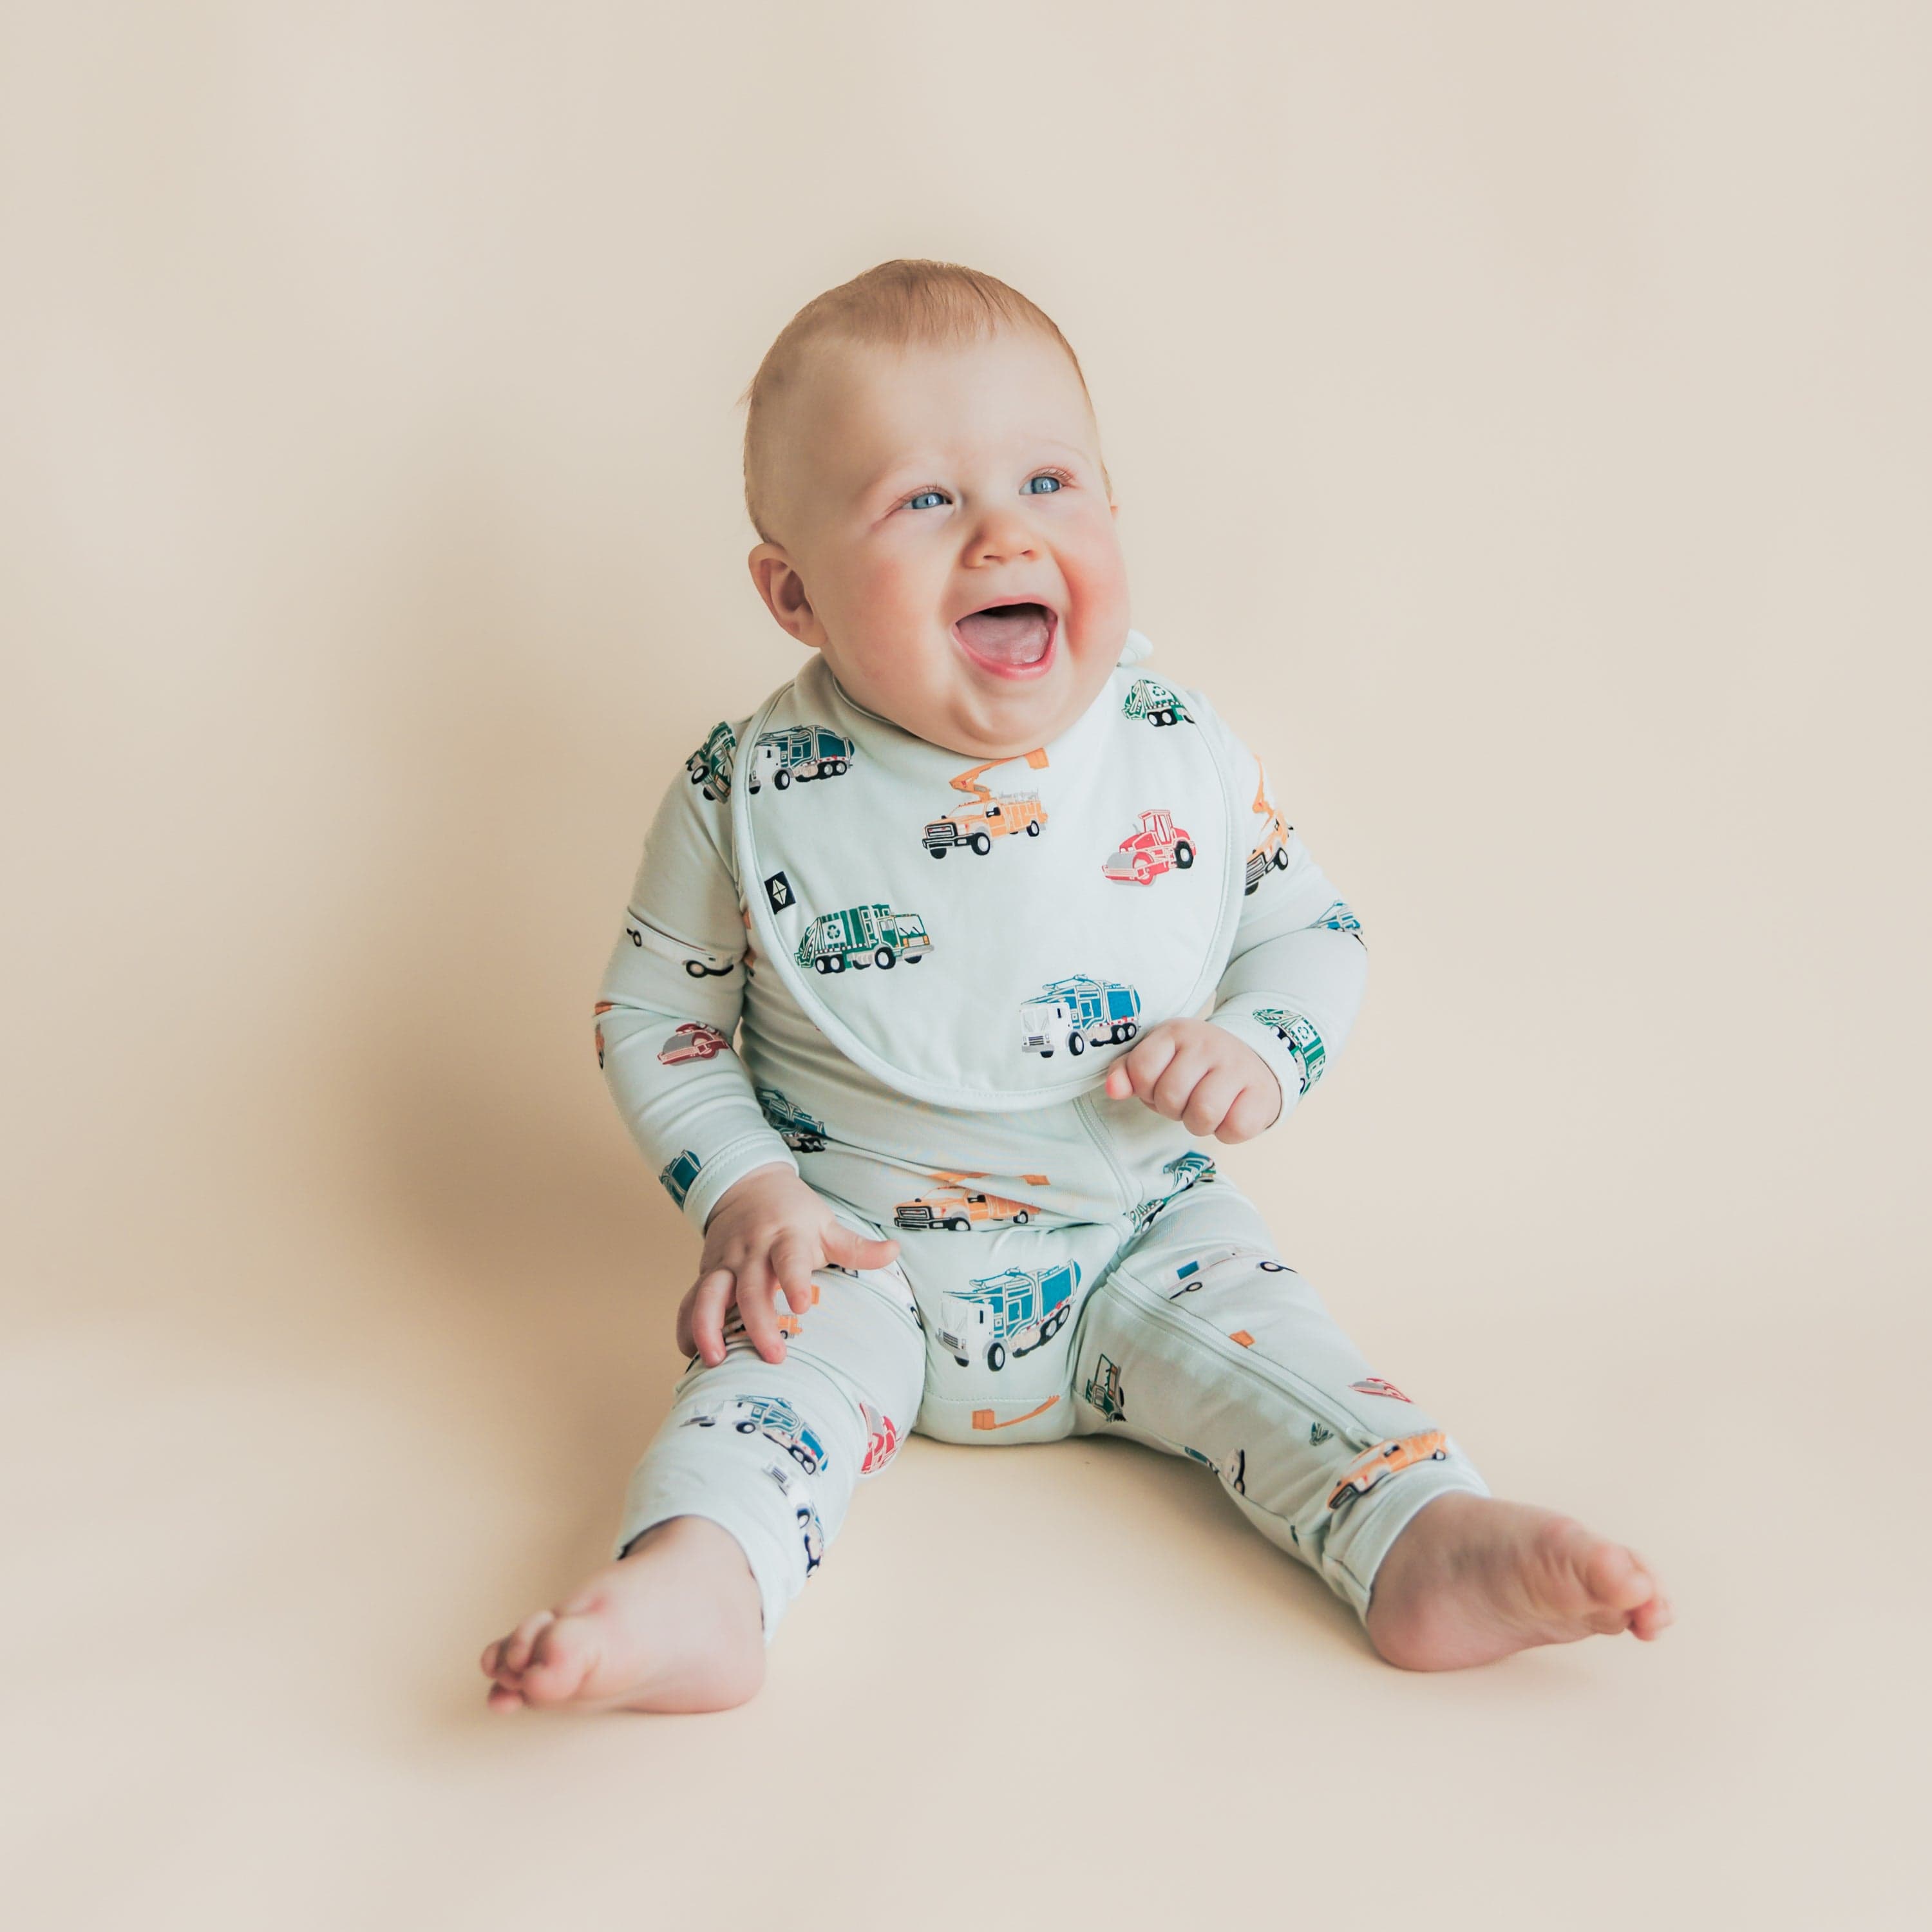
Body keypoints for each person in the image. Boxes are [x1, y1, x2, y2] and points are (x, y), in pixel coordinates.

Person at [480, 260, 1671, 1714]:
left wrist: (1258, 1047)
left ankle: (1427, 1540)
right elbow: (656, 1021)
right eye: (924, 499)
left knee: (1293, 1364)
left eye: (1050, 482)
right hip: (851, 1255)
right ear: (795, 594)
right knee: (754, 1397)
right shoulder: (747, 792)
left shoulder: (1172, 750)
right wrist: (749, 1192)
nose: (1003, 532)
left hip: (1139, 1237)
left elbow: (1313, 929)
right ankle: (698, 1586)